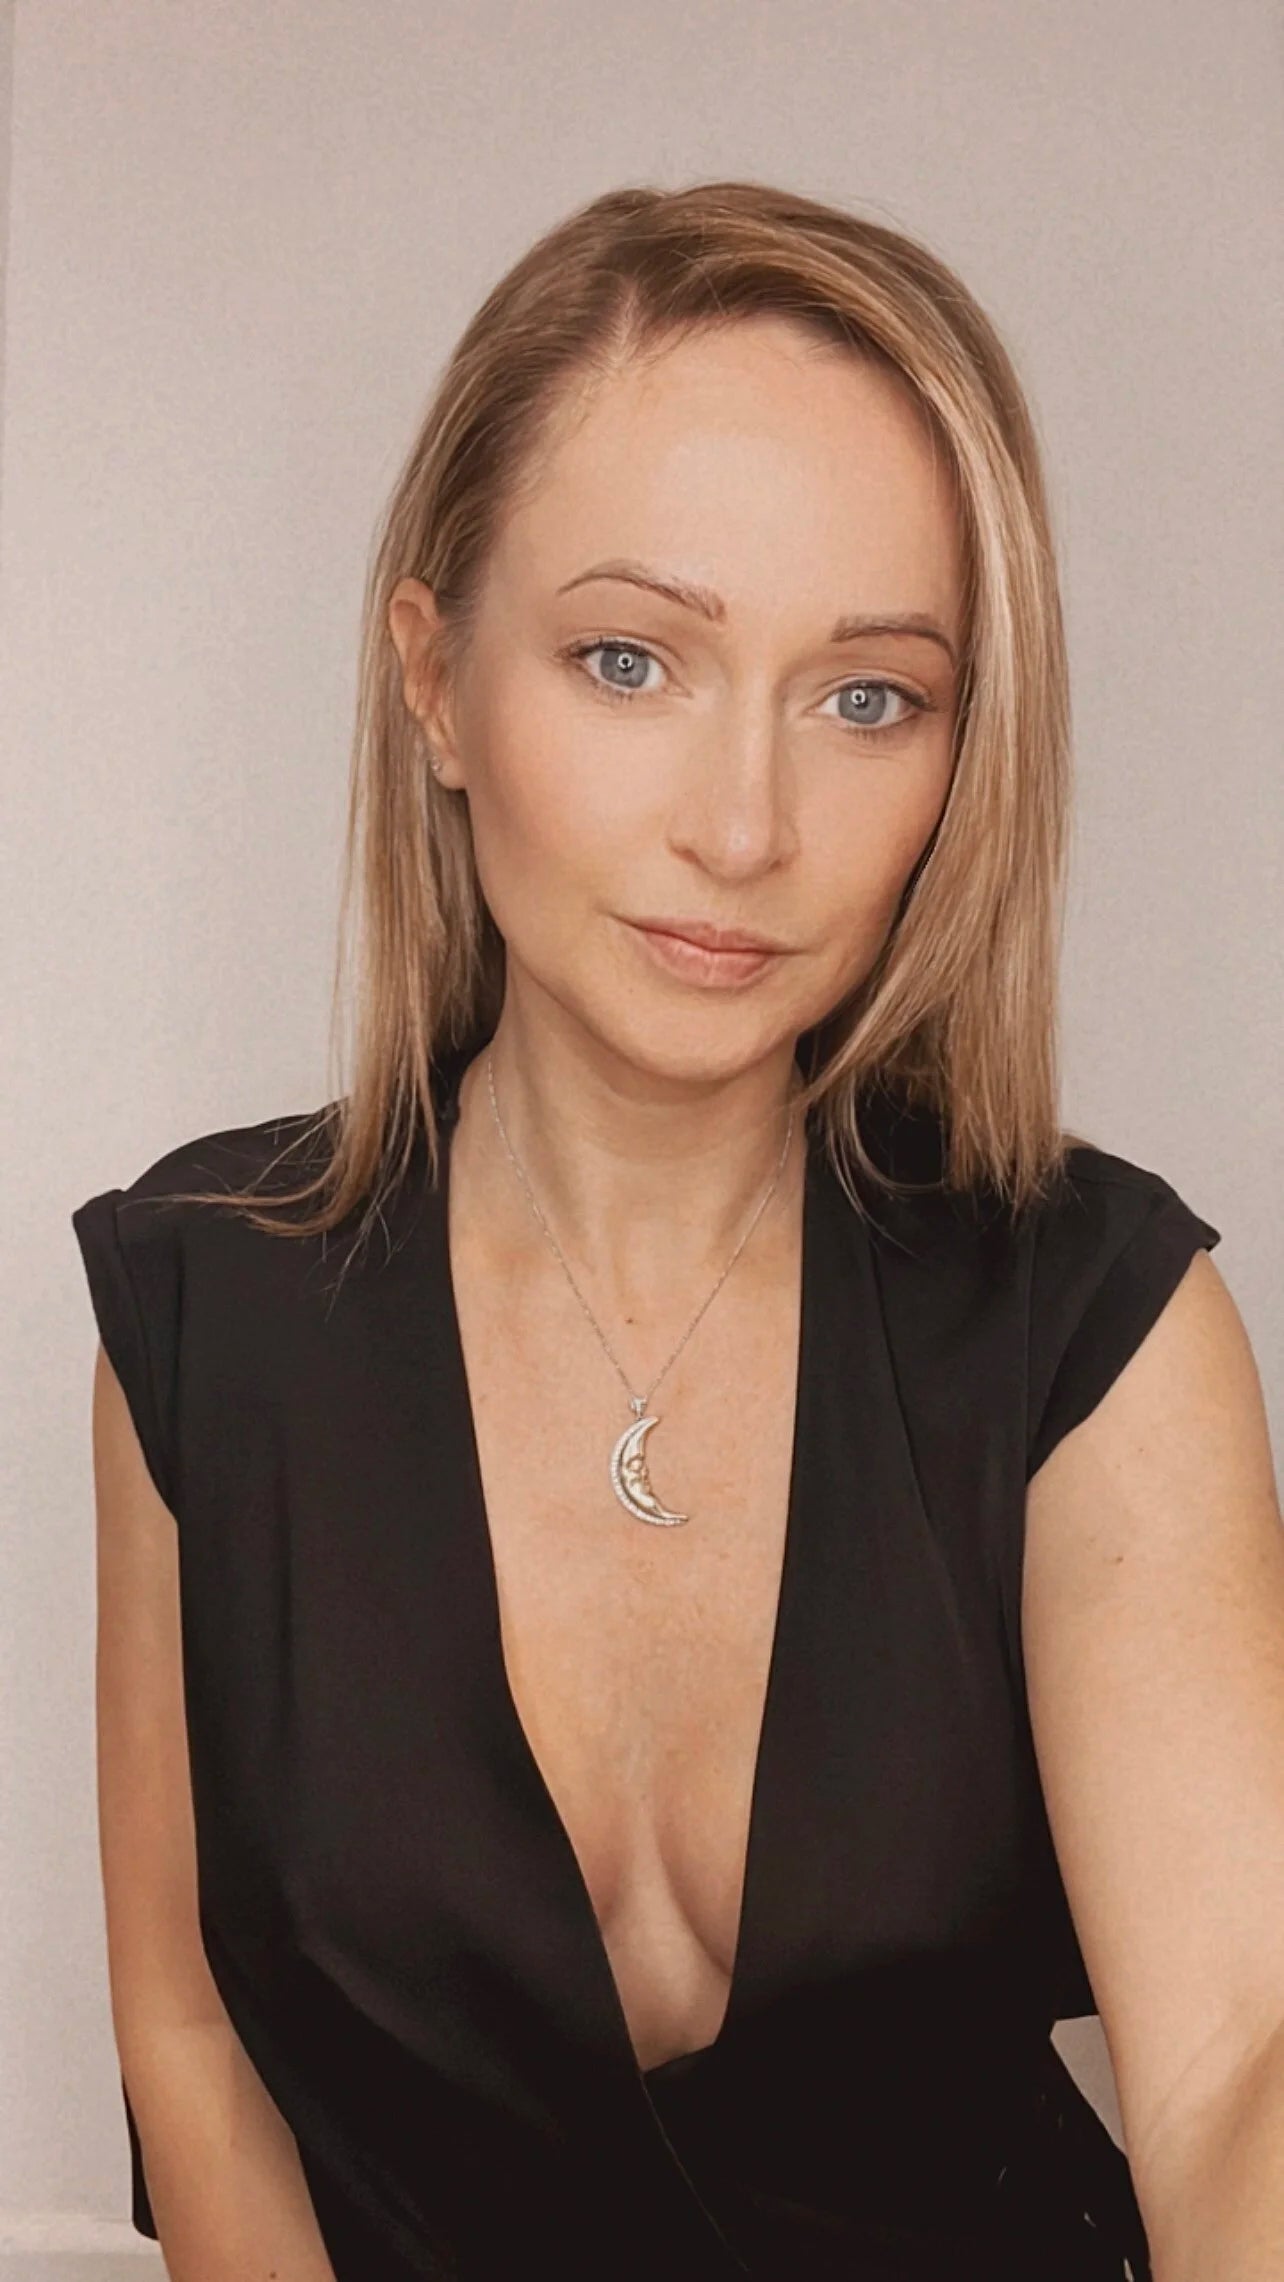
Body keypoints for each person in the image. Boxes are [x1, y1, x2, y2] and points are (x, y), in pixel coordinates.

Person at [70, 181, 1284, 2282]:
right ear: (437, 685)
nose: (746, 824)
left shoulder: (1097, 1319)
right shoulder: (206, 1311)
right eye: (630, 659)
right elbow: (192, 2043)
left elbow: (1237, 2066)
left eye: (868, 696)